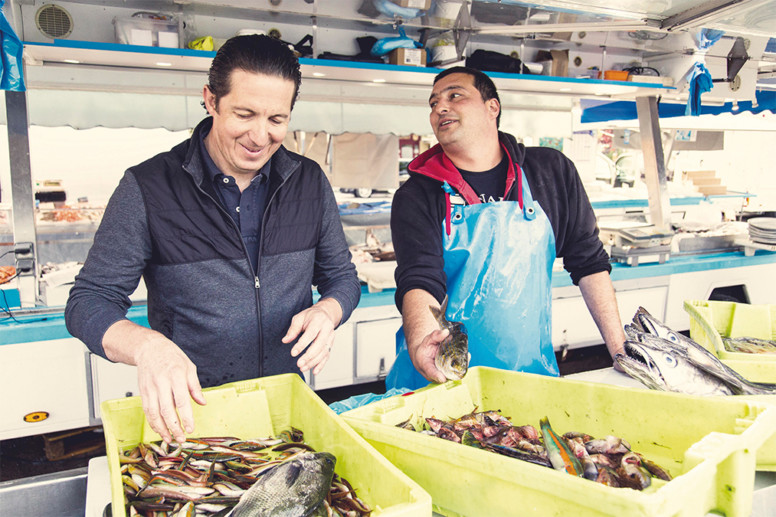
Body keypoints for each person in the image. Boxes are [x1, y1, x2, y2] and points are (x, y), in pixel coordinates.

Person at [65, 35, 361, 442]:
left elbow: (342, 277)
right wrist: (146, 346)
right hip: (190, 416)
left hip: (287, 409)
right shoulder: (148, 187)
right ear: (210, 100)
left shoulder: (308, 181)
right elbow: (89, 301)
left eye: (277, 120)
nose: (260, 136)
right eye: (245, 114)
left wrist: (329, 311)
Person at [386, 66, 625, 390]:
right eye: (433, 103)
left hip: (527, 379)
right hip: (438, 378)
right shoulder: (417, 194)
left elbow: (589, 262)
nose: (439, 107)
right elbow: (419, 279)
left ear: (492, 107)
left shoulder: (551, 172)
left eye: (454, 95)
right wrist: (420, 342)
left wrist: (621, 352)